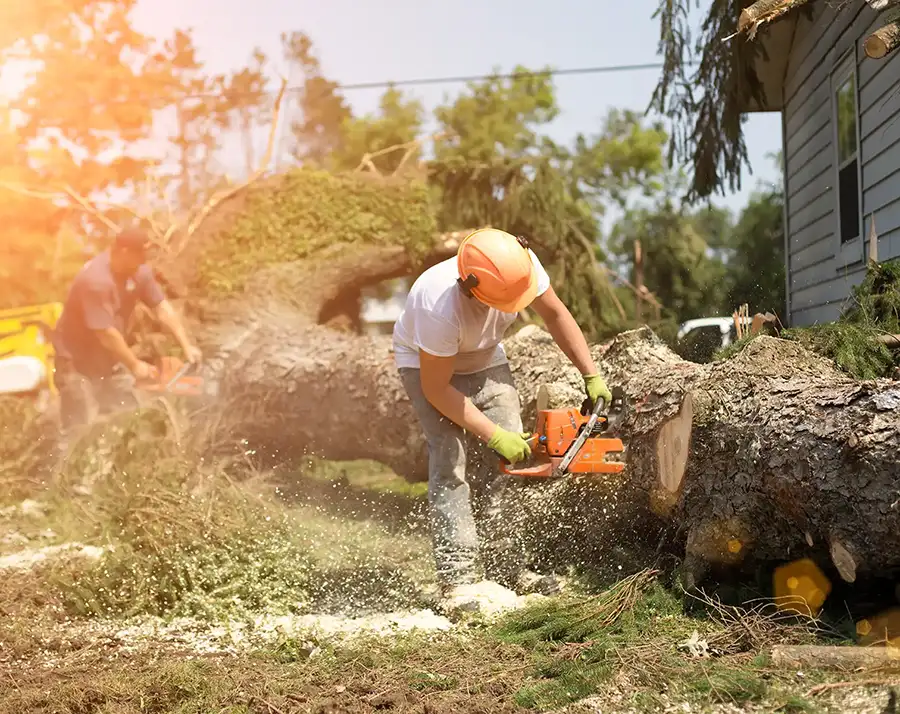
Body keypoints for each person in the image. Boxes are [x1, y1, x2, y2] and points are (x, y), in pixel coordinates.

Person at [392, 227, 611, 612]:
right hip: (427, 367)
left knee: (508, 462)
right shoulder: (436, 304)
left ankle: (508, 569)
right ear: (469, 288)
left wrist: (590, 373)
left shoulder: (519, 265)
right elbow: (438, 389)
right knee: (450, 462)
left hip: (486, 354)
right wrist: (494, 435)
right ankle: (458, 579)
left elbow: (556, 313)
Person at [52, 227, 202, 435]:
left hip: (108, 358)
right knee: (81, 429)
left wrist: (187, 346)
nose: (144, 260)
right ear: (124, 252)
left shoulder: (140, 272)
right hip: (75, 364)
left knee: (130, 419)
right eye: (140, 254)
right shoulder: (96, 281)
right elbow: (105, 333)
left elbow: (161, 308)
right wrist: (134, 364)